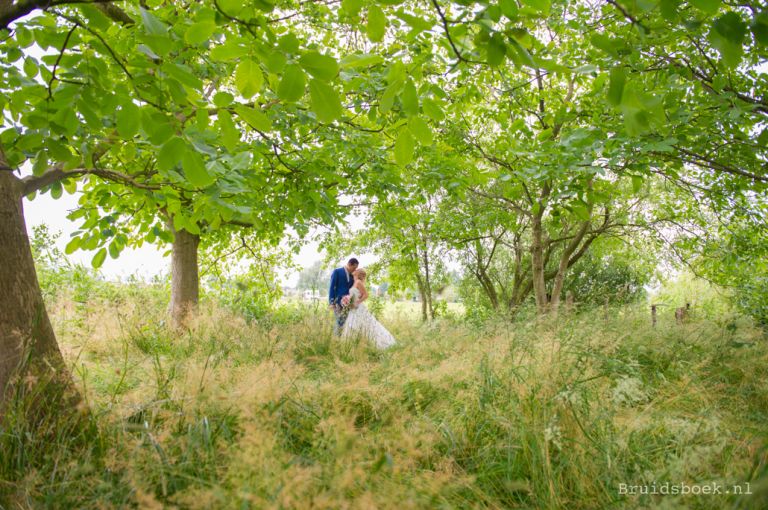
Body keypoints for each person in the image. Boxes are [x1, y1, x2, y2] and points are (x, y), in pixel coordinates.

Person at [341, 268, 397, 349]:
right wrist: (347, 300)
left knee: (366, 324)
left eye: (356, 270)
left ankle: (383, 341)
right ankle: (350, 344)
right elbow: (354, 295)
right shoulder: (355, 281)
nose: (354, 271)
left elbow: (366, 295)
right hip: (353, 308)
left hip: (358, 307)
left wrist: (357, 302)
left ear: (358, 273)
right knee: (352, 324)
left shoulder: (358, 282)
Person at [329, 258, 358, 335]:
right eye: (354, 268)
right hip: (337, 302)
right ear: (349, 264)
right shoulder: (337, 272)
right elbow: (332, 287)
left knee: (344, 322)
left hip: (348, 303)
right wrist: (331, 302)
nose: (355, 270)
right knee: (339, 321)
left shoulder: (352, 276)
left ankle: (340, 338)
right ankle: (336, 338)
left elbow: (353, 289)